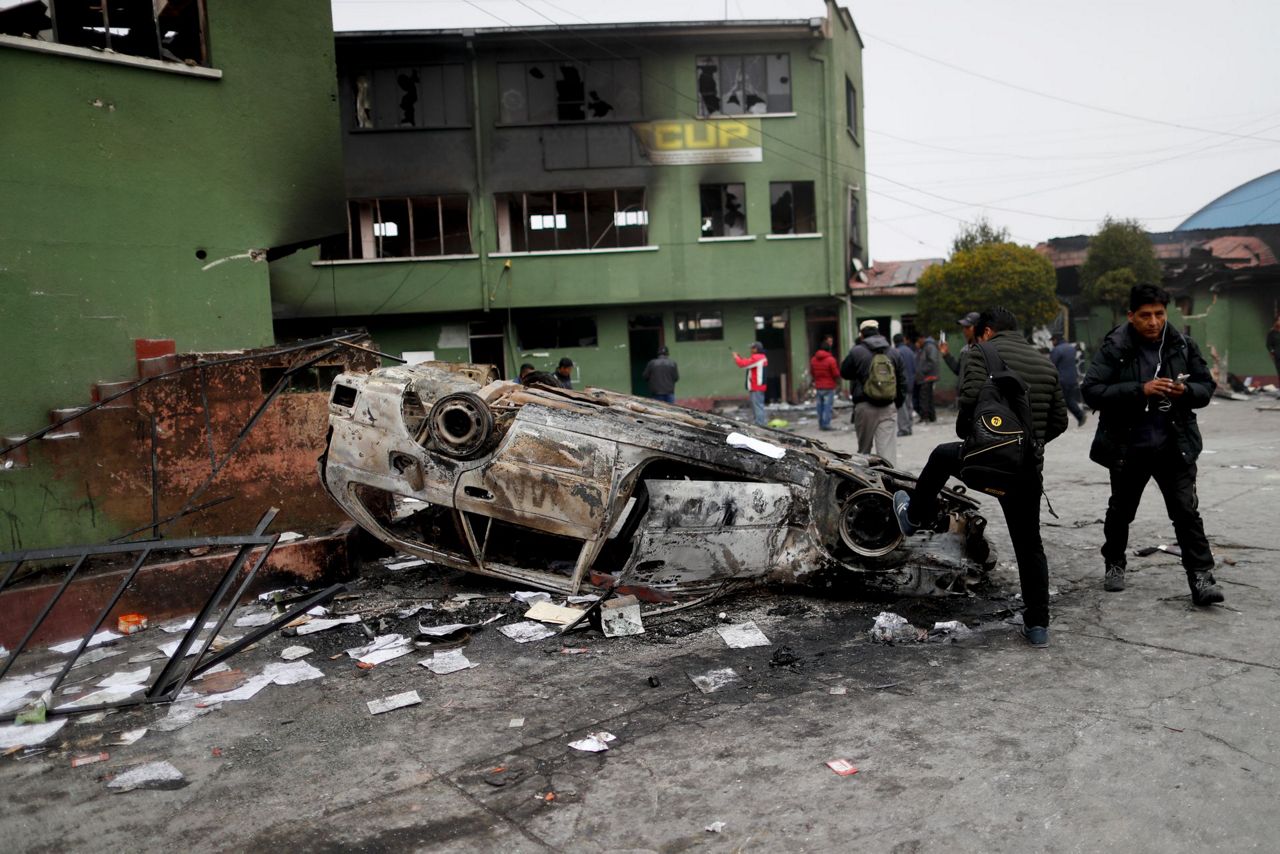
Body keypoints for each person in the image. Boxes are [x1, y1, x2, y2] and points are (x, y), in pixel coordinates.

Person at [893, 307, 1068, 647]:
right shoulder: (1046, 365)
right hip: (1025, 471)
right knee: (1030, 546)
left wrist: (985, 437)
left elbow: (969, 409)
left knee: (942, 455)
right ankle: (1037, 626)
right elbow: (1059, 422)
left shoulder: (981, 353)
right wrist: (1026, 443)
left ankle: (915, 517)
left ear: (986, 331)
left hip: (983, 462)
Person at [1081, 283, 1223, 605]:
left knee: (1186, 513)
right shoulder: (1115, 347)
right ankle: (1114, 563)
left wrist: (1185, 392)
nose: (1154, 322)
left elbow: (1206, 386)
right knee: (1121, 511)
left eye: (1159, 314)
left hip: (1174, 445)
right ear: (1131, 316)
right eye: (1145, 315)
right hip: (1129, 446)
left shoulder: (1182, 344)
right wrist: (1139, 390)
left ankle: (1202, 578)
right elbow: (1091, 390)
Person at [841, 320, 906, 465]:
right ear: (878, 331)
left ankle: (868, 482)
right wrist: (897, 403)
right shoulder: (894, 352)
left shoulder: (857, 351)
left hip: (864, 406)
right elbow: (902, 381)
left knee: (864, 452)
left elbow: (844, 372)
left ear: (862, 334)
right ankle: (888, 483)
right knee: (887, 452)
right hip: (888, 406)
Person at [1050, 334, 1088, 426]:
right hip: (1072, 379)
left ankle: (1055, 423)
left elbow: (1051, 365)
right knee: (1069, 399)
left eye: (1052, 340)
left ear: (1056, 340)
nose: (1052, 343)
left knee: (1055, 401)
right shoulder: (1071, 348)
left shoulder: (1057, 350)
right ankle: (1080, 416)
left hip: (1062, 380)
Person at [732, 341, 768, 426]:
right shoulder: (759, 357)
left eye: (752, 348)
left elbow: (743, 364)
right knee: (757, 406)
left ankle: (760, 425)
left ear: (756, 349)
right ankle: (759, 424)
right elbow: (747, 362)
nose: (750, 350)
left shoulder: (758, 357)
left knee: (758, 407)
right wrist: (739, 357)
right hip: (755, 387)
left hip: (757, 387)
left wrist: (736, 357)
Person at [810, 335, 841, 431]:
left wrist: (816, 379)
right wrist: (837, 380)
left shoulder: (813, 360)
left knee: (820, 406)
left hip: (819, 386)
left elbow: (812, 372)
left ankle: (820, 424)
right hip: (829, 386)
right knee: (828, 406)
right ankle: (826, 424)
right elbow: (836, 373)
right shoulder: (831, 360)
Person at [940, 311, 980, 376]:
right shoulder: (965, 350)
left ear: (978, 328)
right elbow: (959, 371)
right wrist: (946, 355)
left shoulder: (986, 350)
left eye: (967, 327)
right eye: (963, 327)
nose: (964, 330)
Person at [892, 333, 917, 436]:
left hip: (901, 383)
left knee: (902, 407)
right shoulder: (910, 351)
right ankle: (909, 426)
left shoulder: (896, 352)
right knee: (909, 405)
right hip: (911, 381)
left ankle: (904, 428)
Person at [915, 334, 941, 422]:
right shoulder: (927, 346)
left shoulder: (929, 346)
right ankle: (931, 416)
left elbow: (932, 362)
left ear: (922, 338)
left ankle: (925, 417)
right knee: (928, 397)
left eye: (919, 341)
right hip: (927, 376)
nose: (918, 343)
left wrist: (922, 370)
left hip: (928, 376)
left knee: (924, 397)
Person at [1268, 315, 1280, 381]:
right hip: (1278, 355)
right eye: (1279, 320)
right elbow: (1268, 344)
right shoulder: (1272, 332)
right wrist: (1273, 351)